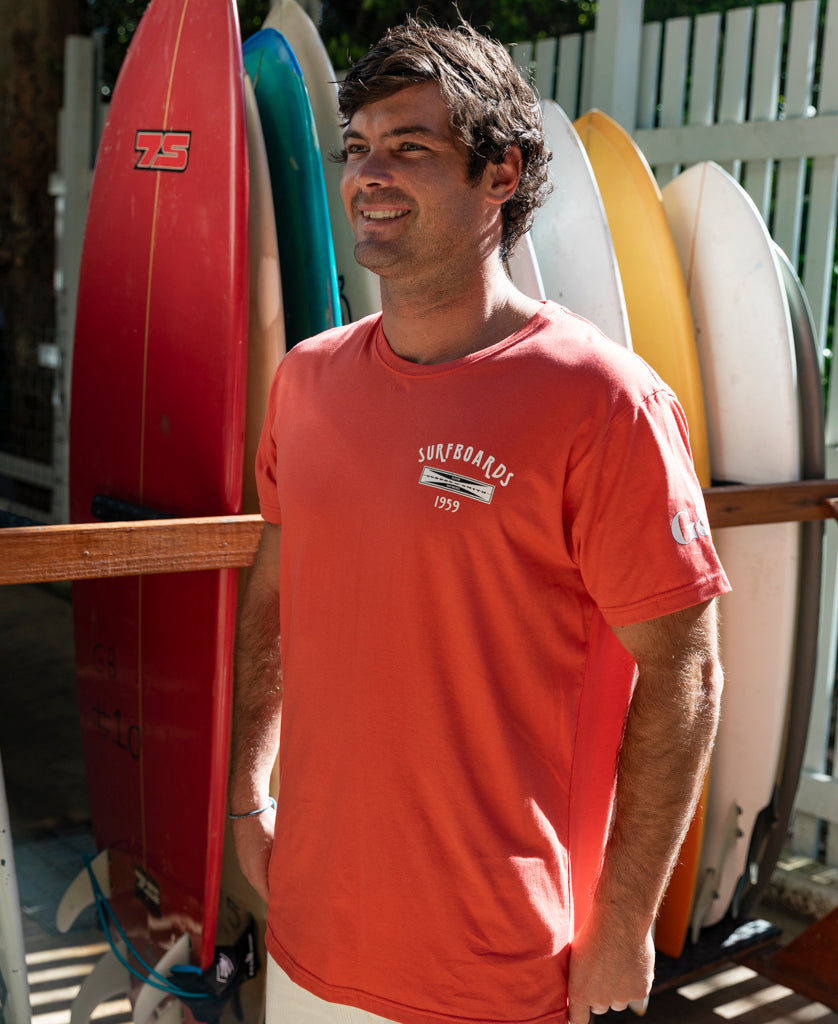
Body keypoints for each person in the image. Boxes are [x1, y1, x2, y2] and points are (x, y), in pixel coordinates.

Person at [229, 17, 729, 1024]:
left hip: (501, 966)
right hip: (311, 939)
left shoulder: (603, 401)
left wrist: (624, 921)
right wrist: (247, 792)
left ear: (500, 176)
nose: (368, 173)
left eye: (409, 149)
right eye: (358, 147)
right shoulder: (308, 383)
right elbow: (274, 600)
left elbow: (686, 671)